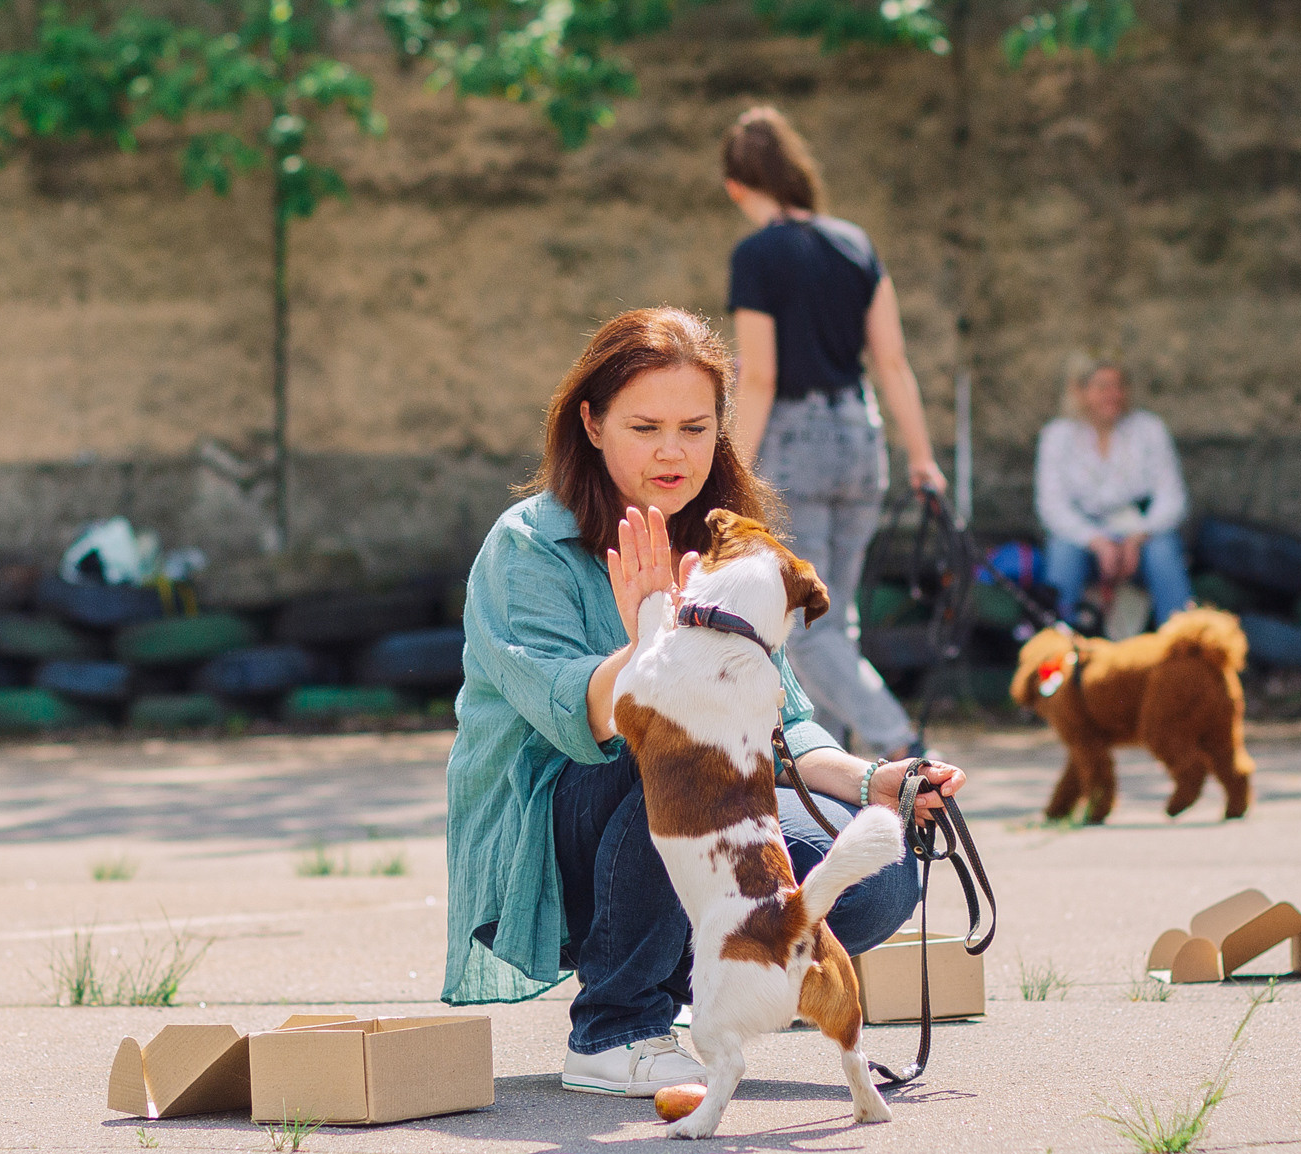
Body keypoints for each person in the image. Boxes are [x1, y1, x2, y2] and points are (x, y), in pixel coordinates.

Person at [444, 307, 967, 1097]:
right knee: (668, 737)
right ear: (590, 423)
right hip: (554, 844)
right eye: (644, 426)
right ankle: (612, 1029)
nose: (671, 451)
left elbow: (784, 721)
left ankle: (698, 993)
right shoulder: (523, 548)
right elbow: (586, 717)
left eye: (694, 427)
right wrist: (652, 634)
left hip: (674, 834)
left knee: (882, 868)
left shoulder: (730, 546)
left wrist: (875, 783)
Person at [722, 106, 944, 762]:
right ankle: (845, 772)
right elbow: (893, 363)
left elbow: (759, 376)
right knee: (834, 616)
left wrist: (729, 466)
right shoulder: (855, 244)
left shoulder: (756, 257)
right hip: (861, 432)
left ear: (737, 186)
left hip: (797, 443)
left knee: (803, 625)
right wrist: (923, 458)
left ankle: (896, 742)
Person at [1035, 354, 1193, 628]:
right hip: (1085, 537)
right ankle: (1058, 641)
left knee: (1163, 551)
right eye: (1102, 387)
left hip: (1140, 531)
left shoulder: (1149, 429)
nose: (1113, 395)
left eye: (1119, 386)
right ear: (1080, 391)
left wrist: (1137, 537)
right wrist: (1096, 541)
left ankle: (1182, 641)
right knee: (1062, 552)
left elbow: (1172, 497)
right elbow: (1052, 505)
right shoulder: (1058, 436)